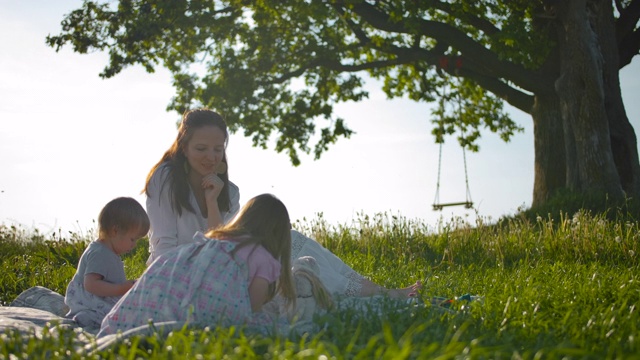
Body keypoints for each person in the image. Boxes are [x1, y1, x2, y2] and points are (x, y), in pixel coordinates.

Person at [143, 108, 421, 299]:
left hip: (221, 265)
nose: (211, 157)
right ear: (184, 146)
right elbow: (165, 249)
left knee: (288, 239)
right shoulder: (165, 179)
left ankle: (372, 289)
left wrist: (212, 201)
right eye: (201, 149)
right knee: (280, 260)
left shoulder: (230, 191)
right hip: (177, 274)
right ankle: (379, 293)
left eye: (218, 149)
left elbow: (221, 246)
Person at [98, 193, 296, 337]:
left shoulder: (217, 240)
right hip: (208, 310)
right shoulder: (264, 257)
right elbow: (251, 305)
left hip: (172, 276)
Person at [64, 197, 150, 331]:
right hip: (89, 305)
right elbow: (91, 285)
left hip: (100, 302)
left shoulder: (109, 253)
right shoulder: (99, 253)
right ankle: (82, 320)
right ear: (115, 231)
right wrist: (121, 288)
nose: (134, 245)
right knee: (109, 319)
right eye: (133, 239)